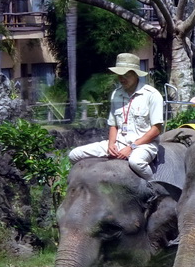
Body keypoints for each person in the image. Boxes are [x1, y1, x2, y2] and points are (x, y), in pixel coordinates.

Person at [68, 52, 163, 180]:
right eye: (119, 74)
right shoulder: (116, 94)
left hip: (143, 145)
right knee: (74, 154)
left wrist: (132, 147)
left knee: (136, 162)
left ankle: (153, 186)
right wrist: (111, 144)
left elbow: (156, 129)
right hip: (119, 143)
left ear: (136, 74)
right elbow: (113, 124)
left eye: (126, 75)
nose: (121, 78)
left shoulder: (152, 95)